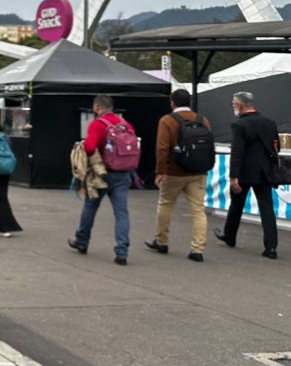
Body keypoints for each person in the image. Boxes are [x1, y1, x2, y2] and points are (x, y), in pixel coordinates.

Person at [68, 95, 135, 265]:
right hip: (123, 174)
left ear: (97, 107)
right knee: (121, 213)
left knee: (90, 207)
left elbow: (90, 147)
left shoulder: (97, 124)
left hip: (102, 174)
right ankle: (122, 251)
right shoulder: (125, 124)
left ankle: (82, 242)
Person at [214, 91, 280, 259]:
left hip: (244, 172)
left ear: (241, 106)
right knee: (267, 208)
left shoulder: (239, 125)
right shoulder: (270, 123)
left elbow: (237, 152)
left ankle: (229, 236)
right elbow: (276, 148)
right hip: (264, 171)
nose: (233, 107)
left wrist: (233, 176)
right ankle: (271, 247)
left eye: (233, 104)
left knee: (236, 205)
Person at [146, 89, 210, 262]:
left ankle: (162, 241)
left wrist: (160, 171)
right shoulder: (202, 120)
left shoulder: (167, 121)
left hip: (174, 172)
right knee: (198, 210)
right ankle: (197, 249)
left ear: (172, 103)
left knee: (165, 205)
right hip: (198, 172)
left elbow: (162, 148)